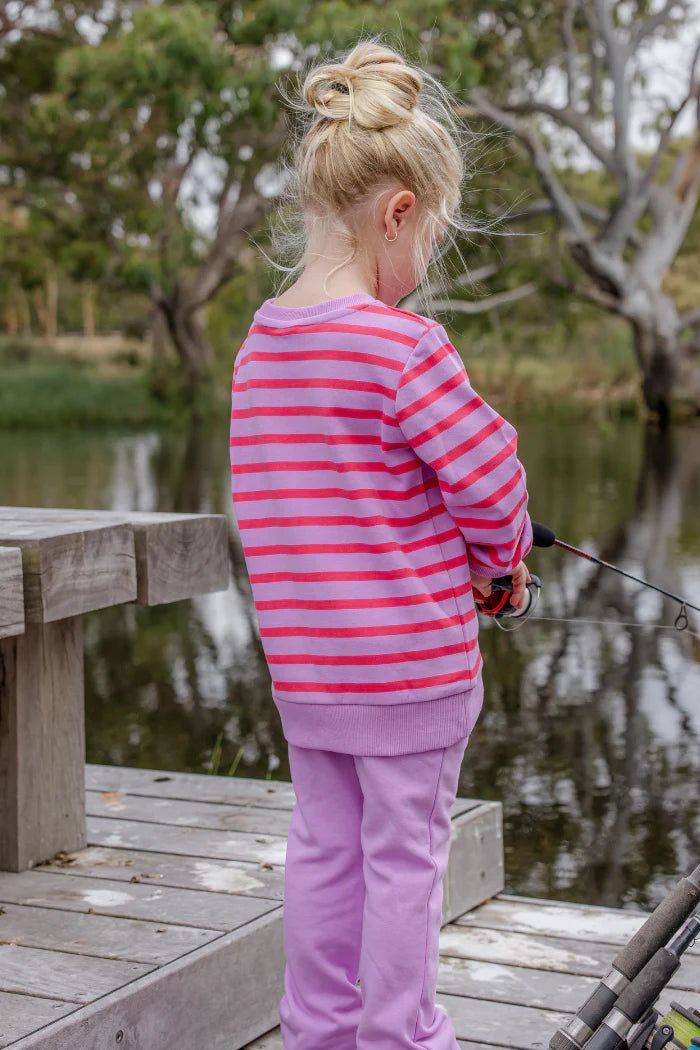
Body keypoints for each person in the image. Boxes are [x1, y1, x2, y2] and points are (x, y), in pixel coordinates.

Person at [229, 36, 533, 1050]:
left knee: (324, 851)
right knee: (406, 860)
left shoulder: (259, 350)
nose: (423, 266)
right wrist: (500, 568)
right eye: (430, 239)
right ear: (397, 212)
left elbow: (287, 505)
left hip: (308, 677)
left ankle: (316, 1033)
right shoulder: (406, 350)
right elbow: (493, 495)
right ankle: (402, 1038)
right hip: (408, 680)